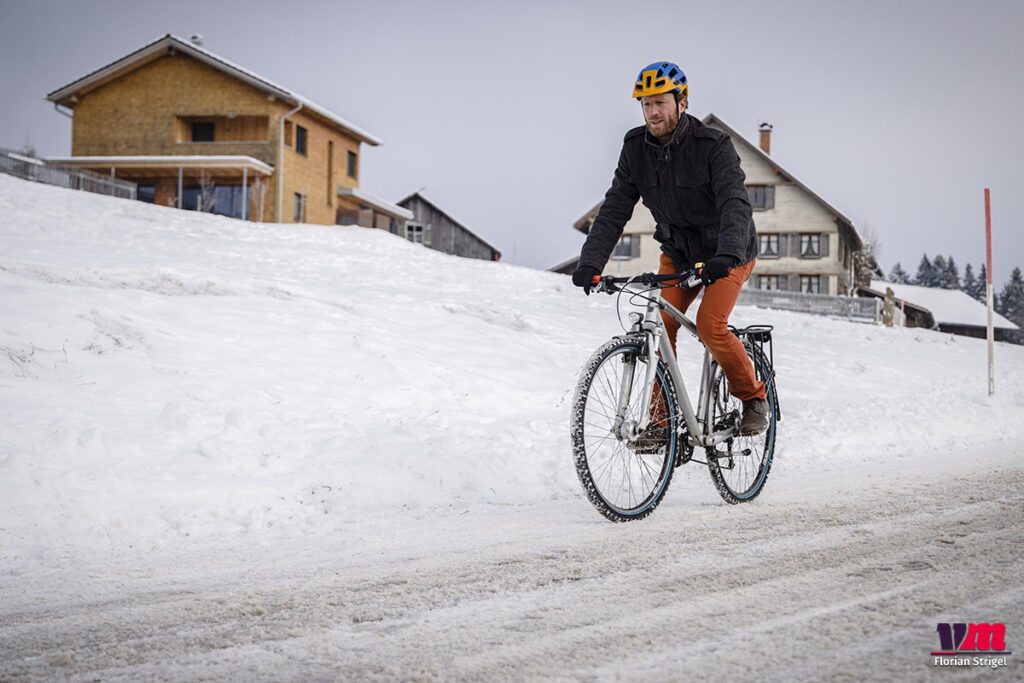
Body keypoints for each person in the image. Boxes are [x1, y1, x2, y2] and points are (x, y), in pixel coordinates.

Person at [572, 61, 768, 436]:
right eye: (645, 104)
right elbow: (615, 208)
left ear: (682, 102)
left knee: (711, 326)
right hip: (678, 254)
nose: (652, 112)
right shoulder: (635, 149)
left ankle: (753, 397)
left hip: (730, 252)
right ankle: (664, 423)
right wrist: (590, 262)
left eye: (660, 102)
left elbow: (734, 203)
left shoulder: (713, 146)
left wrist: (726, 253)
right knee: (660, 324)